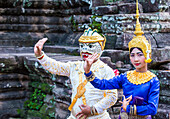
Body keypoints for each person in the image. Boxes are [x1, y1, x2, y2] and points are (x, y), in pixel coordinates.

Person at [81, 1, 160, 119]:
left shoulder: (153, 81)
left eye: (139, 55)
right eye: (132, 55)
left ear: (147, 55)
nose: (136, 59)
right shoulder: (126, 77)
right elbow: (102, 84)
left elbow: (152, 109)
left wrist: (127, 108)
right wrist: (88, 71)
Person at [34, 27, 118, 119]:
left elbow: (112, 96)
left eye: (90, 46)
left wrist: (93, 109)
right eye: (82, 46)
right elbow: (56, 67)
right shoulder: (75, 66)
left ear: (101, 48)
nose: (85, 50)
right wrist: (40, 55)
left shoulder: (106, 71)